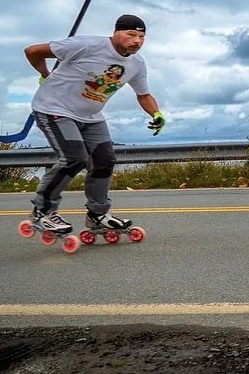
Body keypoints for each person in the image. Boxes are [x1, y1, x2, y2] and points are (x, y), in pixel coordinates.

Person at [23, 13, 167, 235]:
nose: (137, 41)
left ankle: (97, 215)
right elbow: (32, 51)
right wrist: (45, 73)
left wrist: (156, 113)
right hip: (54, 108)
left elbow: (143, 95)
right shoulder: (86, 45)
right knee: (74, 158)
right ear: (116, 32)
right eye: (131, 34)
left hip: (91, 116)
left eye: (142, 37)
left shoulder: (136, 64)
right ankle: (42, 212)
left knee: (104, 161)